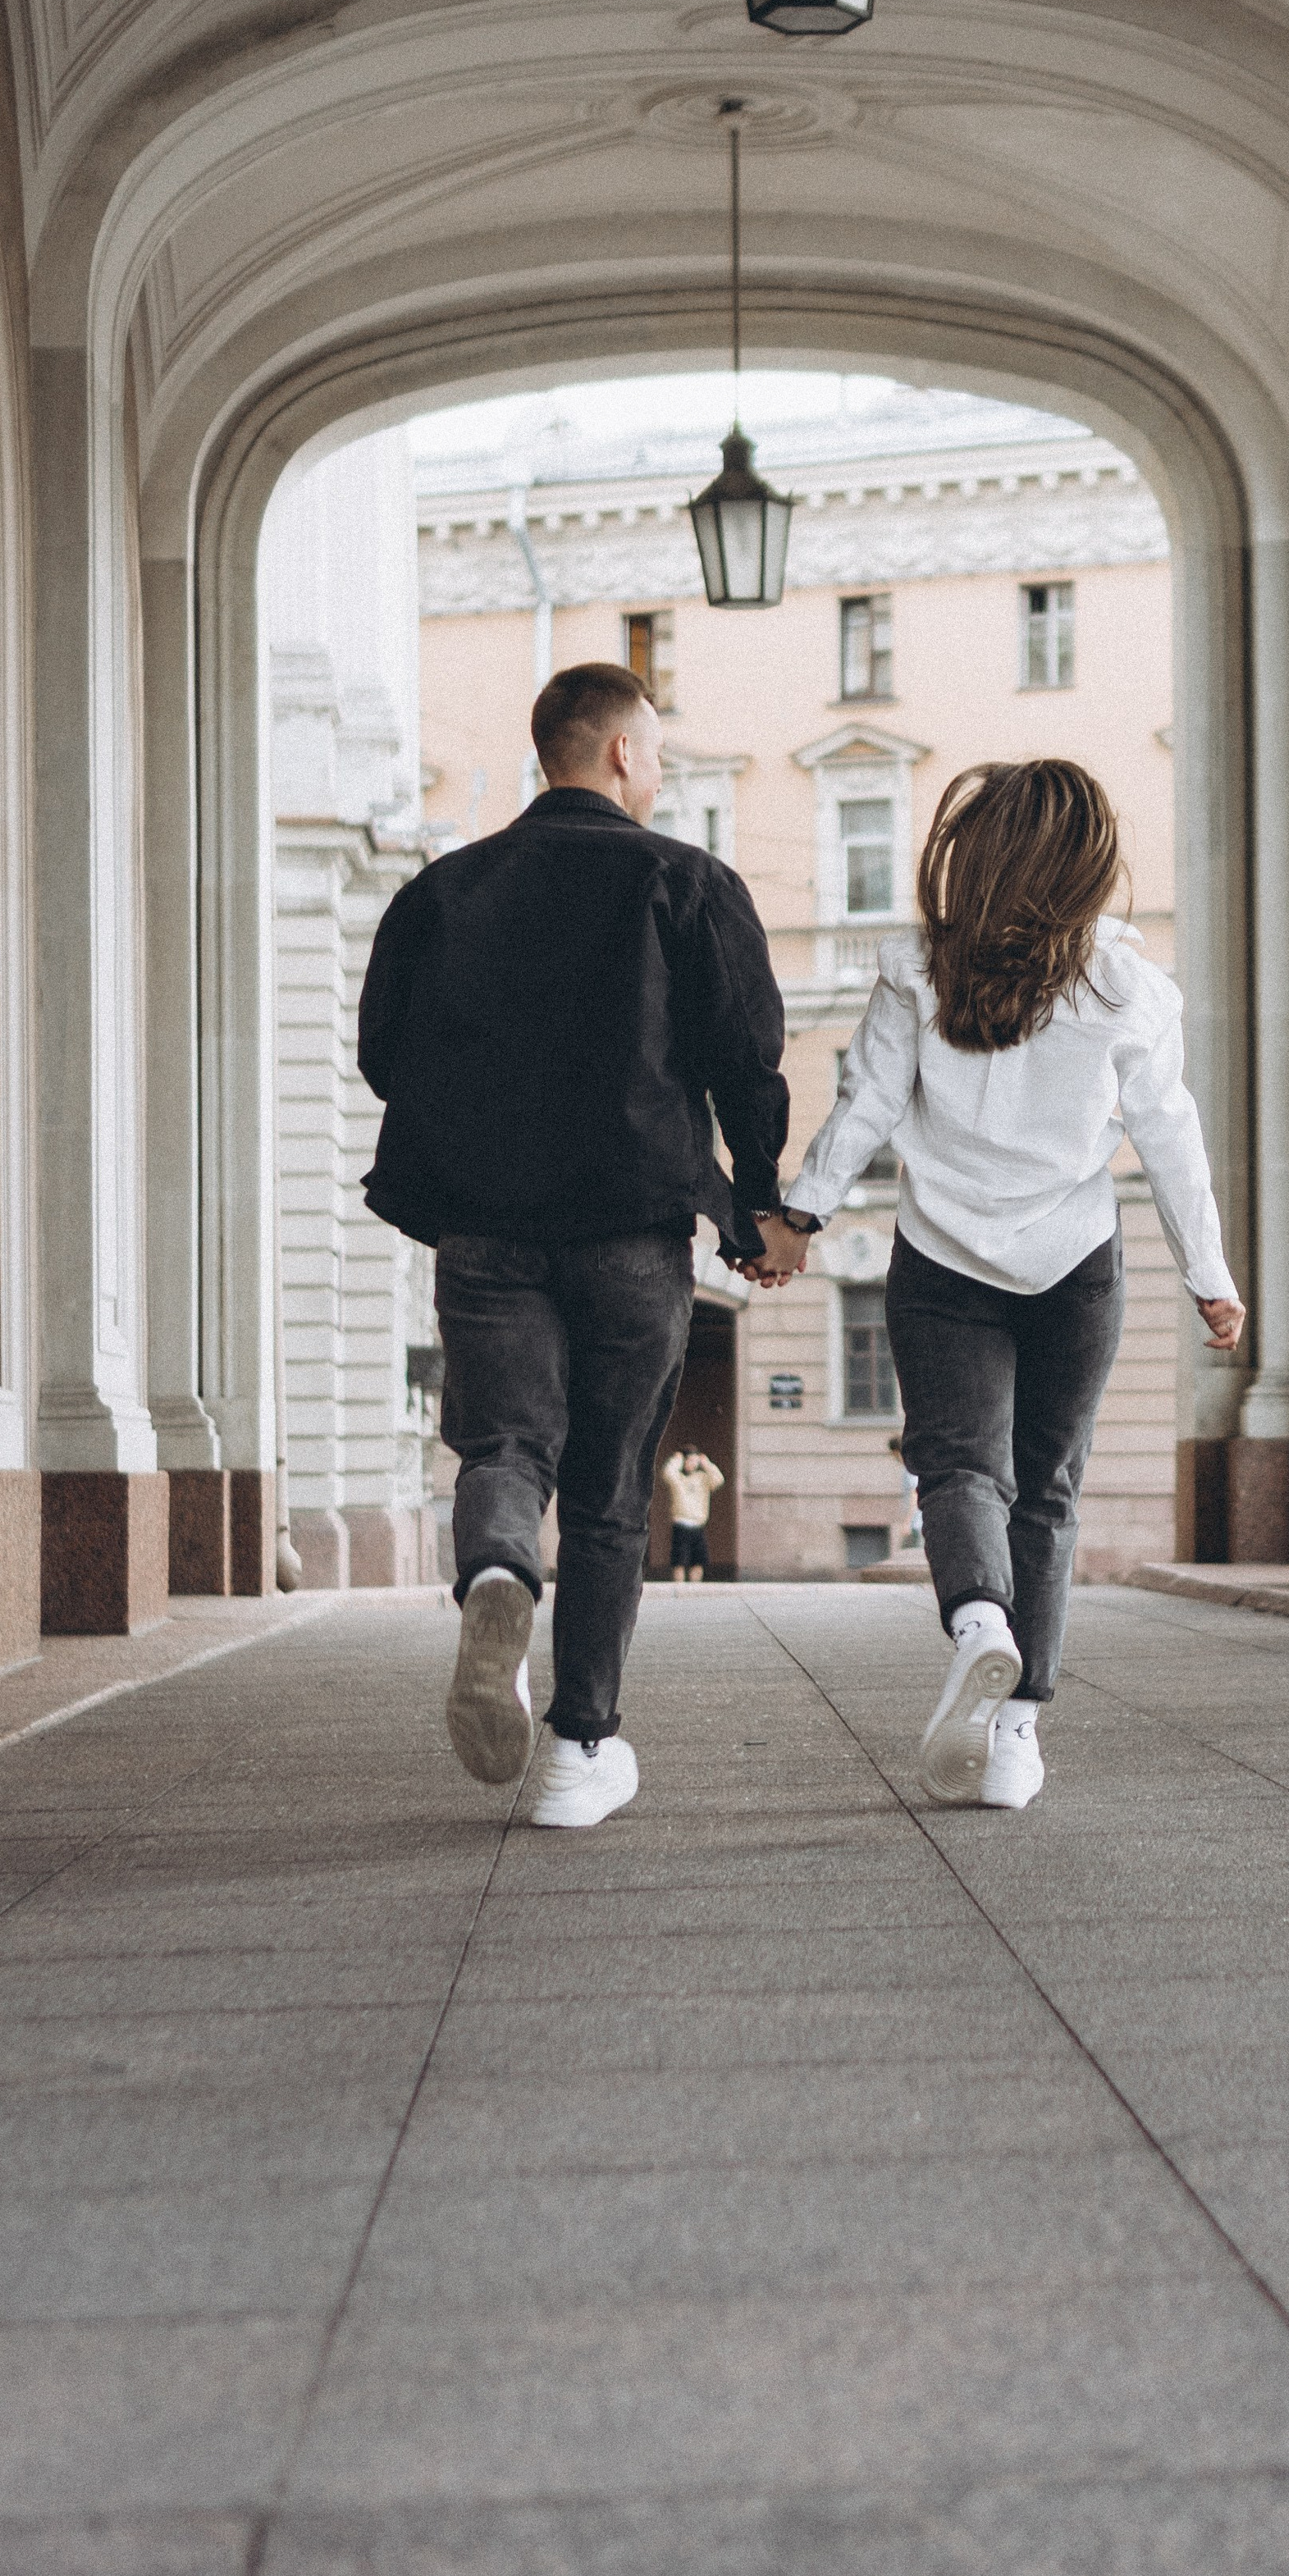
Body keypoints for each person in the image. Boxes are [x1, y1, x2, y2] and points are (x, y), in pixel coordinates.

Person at [358, 661, 809, 1829]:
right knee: (611, 1493)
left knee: (502, 1447)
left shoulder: (445, 891)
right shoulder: (686, 882)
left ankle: (500, 1571)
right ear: (618, 753)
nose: (656, 771)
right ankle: (578, 1753)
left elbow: (382, 1053)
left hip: (488, 1228)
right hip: (629, 1230)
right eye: (655, 752)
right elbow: (746, 1066)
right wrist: (757, 1205)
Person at [781, 758, 1243, 1810]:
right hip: (1075, 1262)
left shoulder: (914, 971)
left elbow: (862, 1104)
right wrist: (1207, 1275)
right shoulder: (1129, 988)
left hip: (940, 1260)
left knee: (957, 1470)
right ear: (1087, 865)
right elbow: (1172, 1142)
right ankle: (1017, 1738)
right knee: (1048, 1489)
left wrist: (801, 1213)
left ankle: (978, 1622)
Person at [661, 1441, 724, 1581]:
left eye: (695, 1461)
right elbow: (668, 1474)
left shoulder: (702, 1479)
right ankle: (680, 1587)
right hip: (681, 1523)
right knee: (679, 1561)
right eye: (689, 1460)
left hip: (698, 1524)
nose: (692, 1464)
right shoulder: (678, 1478)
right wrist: (676, 1459)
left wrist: (706, 1463)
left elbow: (718, 1480)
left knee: (699, 1560)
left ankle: (696, 1587)